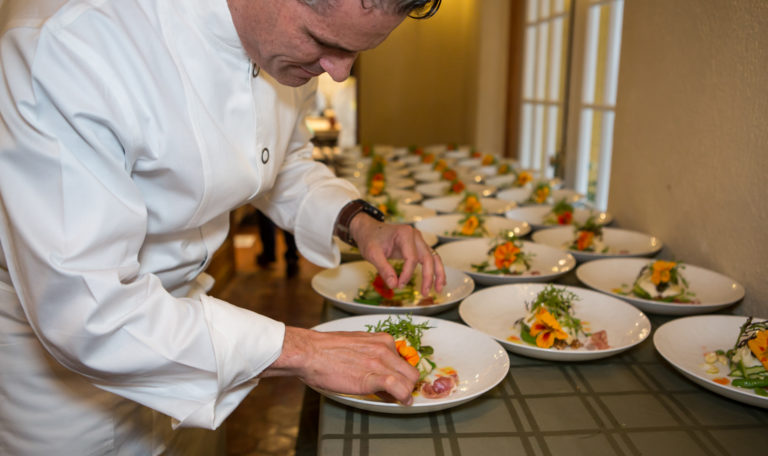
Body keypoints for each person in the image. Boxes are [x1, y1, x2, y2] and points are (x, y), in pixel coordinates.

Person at [0, 0, 444, 453]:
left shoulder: (285, 51)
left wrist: (359, 222)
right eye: (324, 42)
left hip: (204, 341)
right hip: (64, 389)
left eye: (357, 52)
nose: (340, 73)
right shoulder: (67, 41)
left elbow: (282, 163)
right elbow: (86, 310)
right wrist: (303, 351)